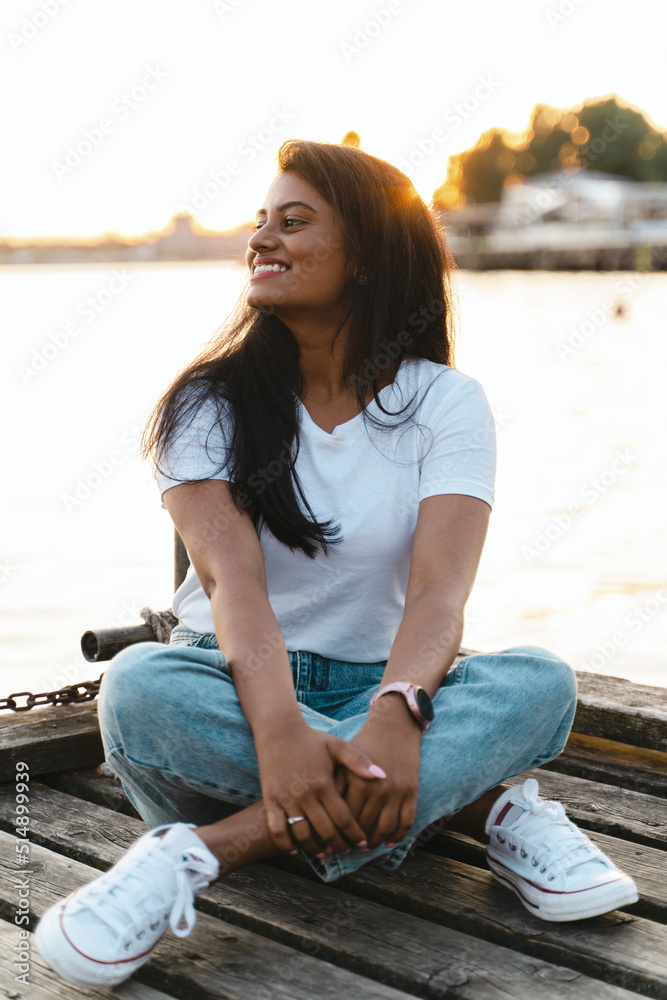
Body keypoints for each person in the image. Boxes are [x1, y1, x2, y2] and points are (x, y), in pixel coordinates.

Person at [35, 139, 638, 988]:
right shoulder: (207, 401)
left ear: (366, 254)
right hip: (228, 691)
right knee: (137, 688)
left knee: (538, 680)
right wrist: (279, 729)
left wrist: (396, 706)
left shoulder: (444, 404)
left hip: (383, 686)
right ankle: (480, 806)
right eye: (259, 223)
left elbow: (438, 591)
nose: (261, 240)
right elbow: (231, 583)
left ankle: (200, 853)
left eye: (293, 222)